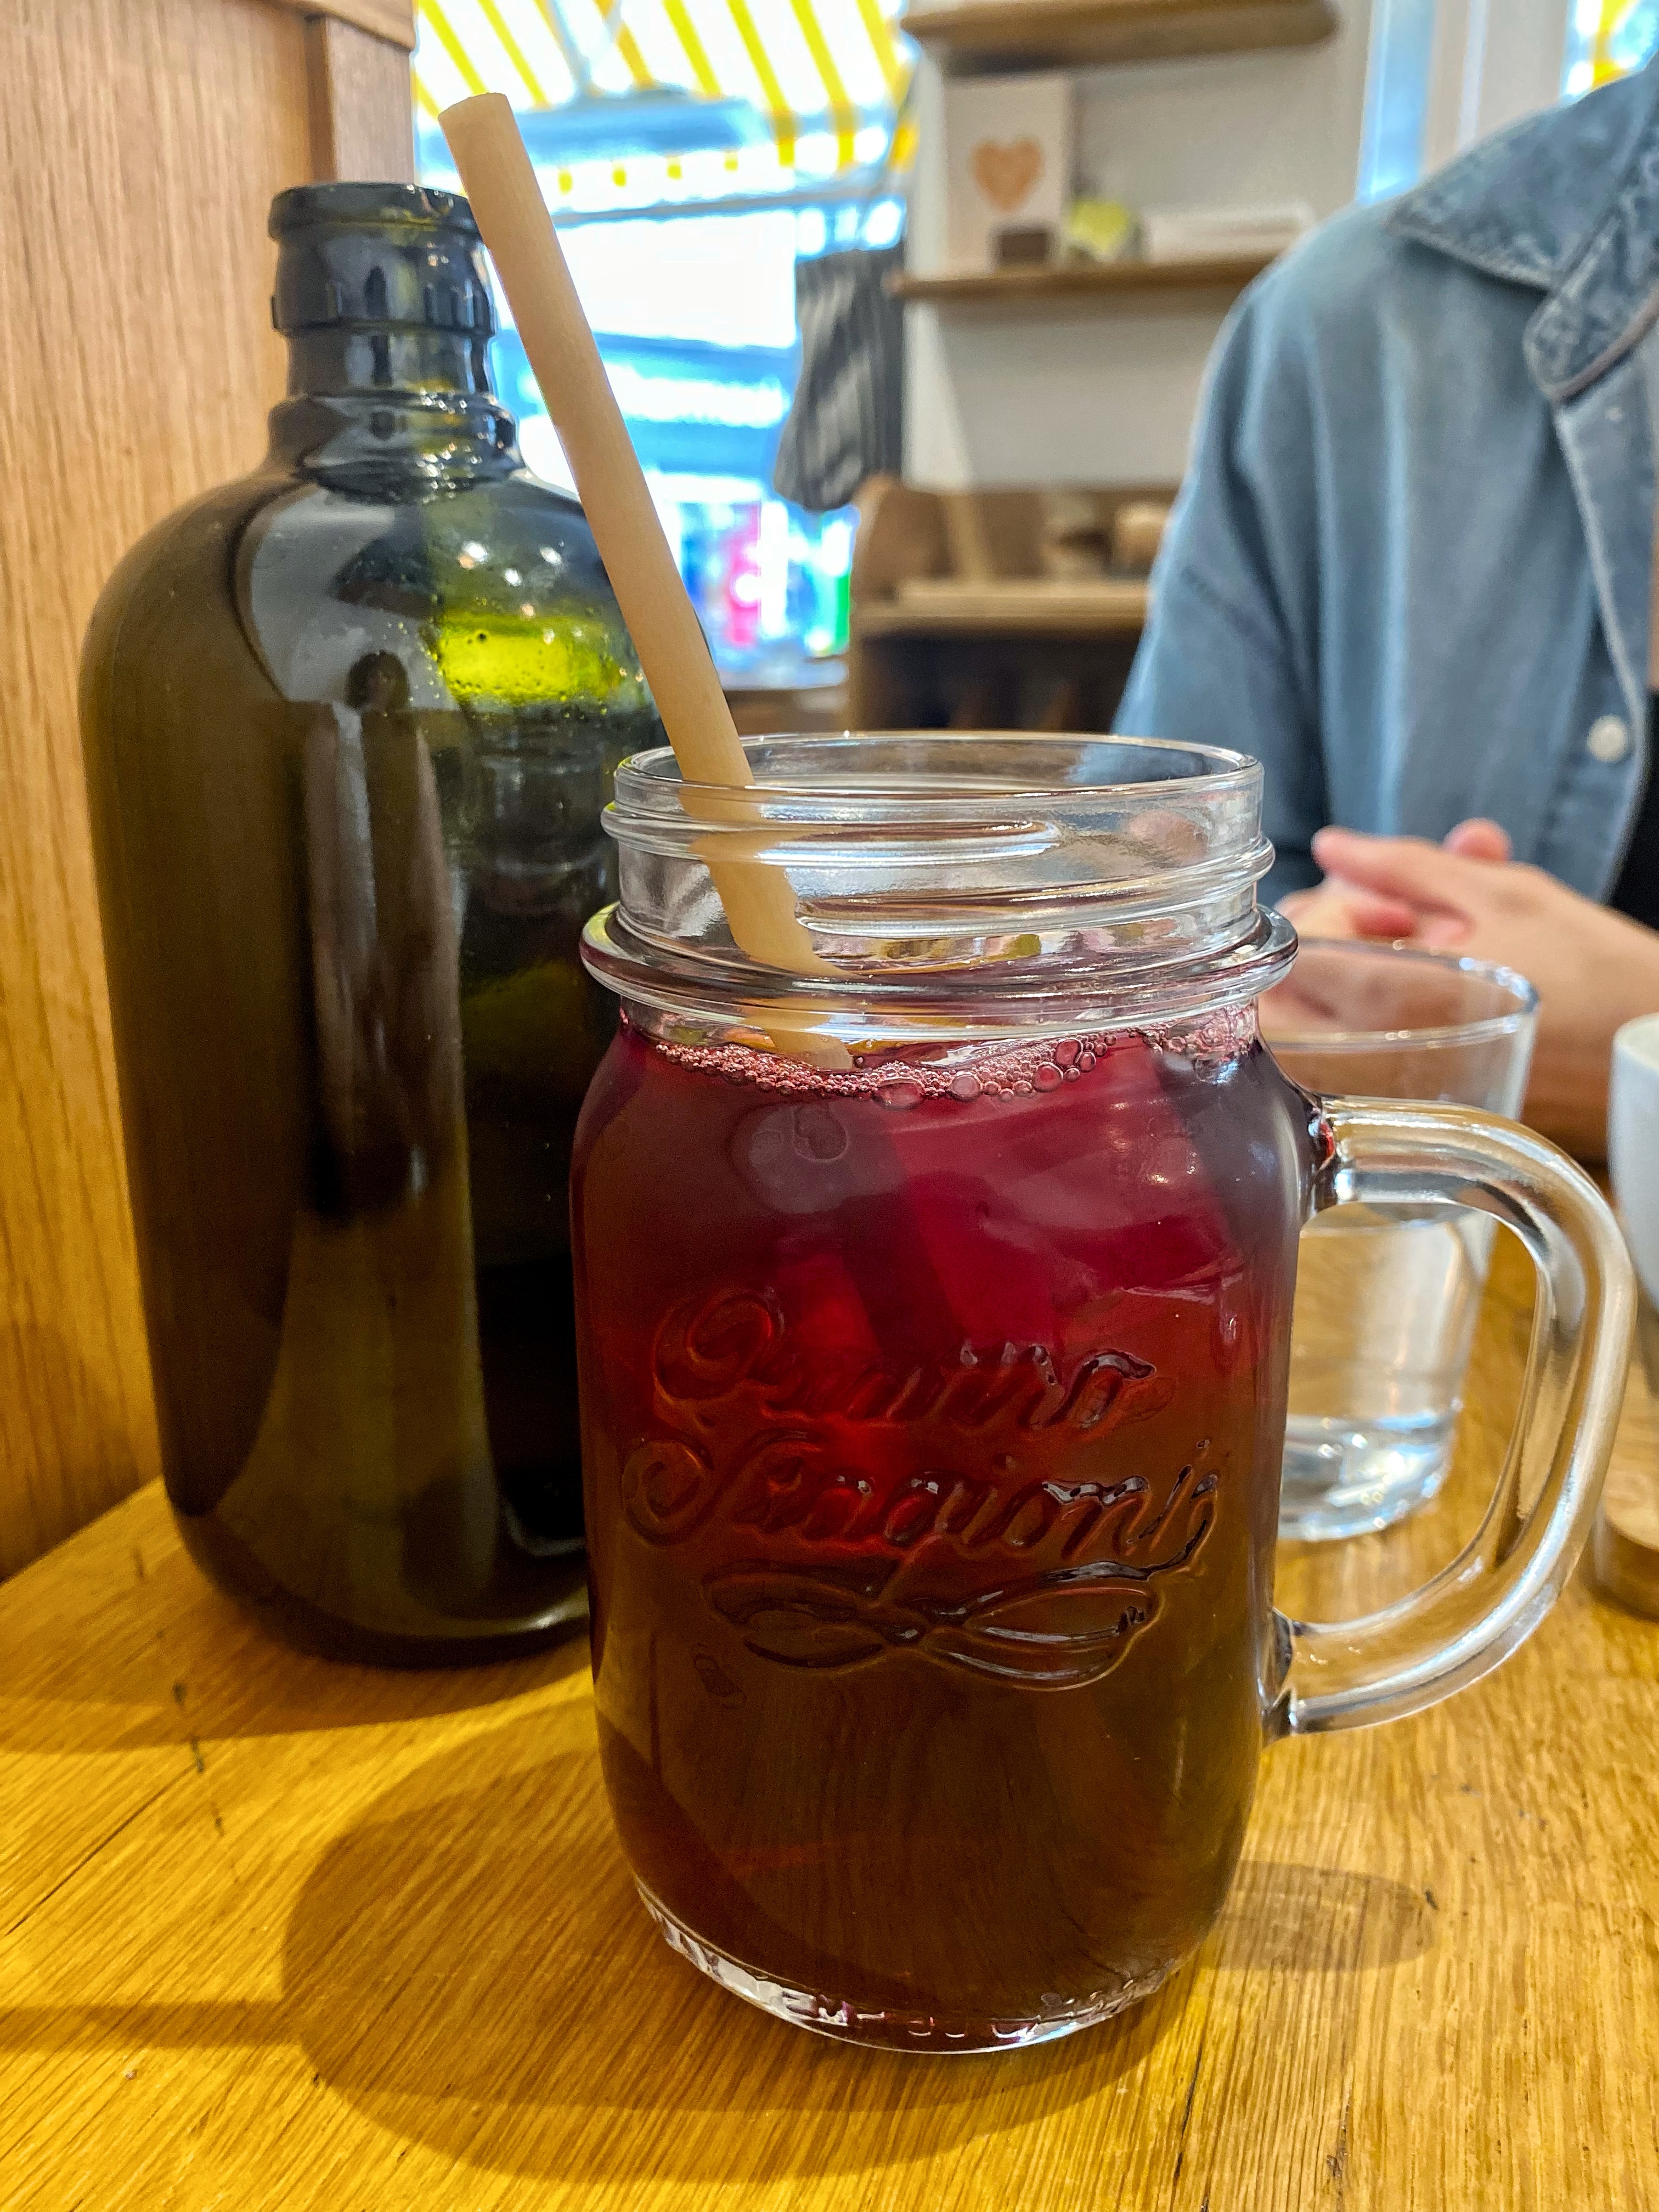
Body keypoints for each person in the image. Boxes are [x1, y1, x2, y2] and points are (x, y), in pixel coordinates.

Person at [1116, 55, 1659, 1158]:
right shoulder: (1353, 326)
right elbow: (1150, 915)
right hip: (1425, 1248)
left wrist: (1633, 1047)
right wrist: (1284, 976)